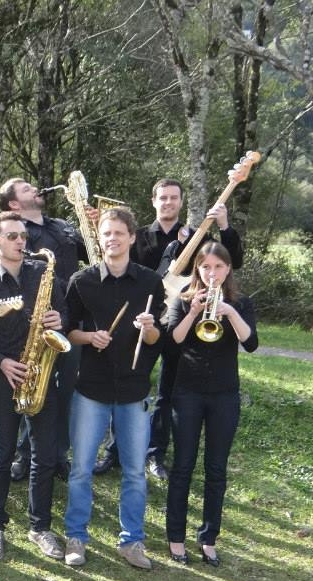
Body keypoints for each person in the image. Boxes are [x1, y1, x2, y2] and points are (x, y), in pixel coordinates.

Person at [95, 178, 244, 478]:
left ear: (181, 202)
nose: (168, 203)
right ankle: (115, 450)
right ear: (153, 201)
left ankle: (155, 453)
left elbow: (233, 260)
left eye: (174, 198)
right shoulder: (137, 237)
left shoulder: (196, 239)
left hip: (179, 324)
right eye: (163, 198)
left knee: (168, 391)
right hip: (142, 322)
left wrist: (225, 226)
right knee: (127, 385)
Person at [63, 207, 164, 570]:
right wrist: (90, 337)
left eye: (119, 233)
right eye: (106, 233)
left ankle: (132, 542)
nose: (112, 239)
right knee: (81, 469)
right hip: (91, 389)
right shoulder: (82, 281)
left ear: (132, 237)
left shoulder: (151, 283)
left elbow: (157, 339)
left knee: (135, 471)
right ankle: (76, 537)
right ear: (99, 238)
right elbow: (67, 331)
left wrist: (148, 328)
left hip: (135, 390)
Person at [0, 212, 67, 562]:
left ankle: (40, 527)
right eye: (12, 236)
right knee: (2, 452)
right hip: (6, 374)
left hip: (42, 372)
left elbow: (65, 315)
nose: (21, 241)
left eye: (23, 235)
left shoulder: (43, 273)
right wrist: (1, 362)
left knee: (44, 456)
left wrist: (60, 320)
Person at [165, 243, 257, 567]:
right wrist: (193, 312)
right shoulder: (184, 299)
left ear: (228, 269)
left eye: (218, 267)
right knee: (183, 467)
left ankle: (208, 538)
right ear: (198, 269)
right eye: (205, 267)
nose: (212, 273)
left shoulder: (240, 303)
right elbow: (173, 341)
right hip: (187, 392)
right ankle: (175, 538)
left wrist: (229, 313)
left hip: (224, 395)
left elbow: (251, 344)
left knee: (216, 470)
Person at [0, 177, 87, 483]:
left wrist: (90, 224)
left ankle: (58, 453)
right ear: (13, 204)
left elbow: (91, 252)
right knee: (35, 384)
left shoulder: (62, 225)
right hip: (34, 322)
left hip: (70, 319)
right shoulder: (18, 234)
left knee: (66, 390)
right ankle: (26, 454)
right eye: (24, 188)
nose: (35, 188)